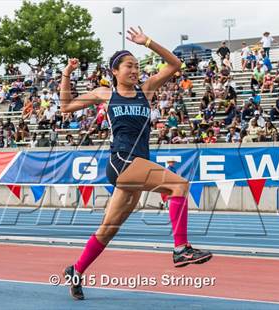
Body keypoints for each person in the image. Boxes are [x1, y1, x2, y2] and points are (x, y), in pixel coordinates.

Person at [60, 26, 212, 300]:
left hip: (138, 164)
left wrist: (148, 42)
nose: (134, 70)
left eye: (137, 65)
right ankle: (181, 249)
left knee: (108, 230)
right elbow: (65, 106)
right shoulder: (104, 94)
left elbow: (175, 64)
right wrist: (67, 74)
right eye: (129, 66)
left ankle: (76, 269)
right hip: (121, 162)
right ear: (115, 72)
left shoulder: (147, 90)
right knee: (179, 186)